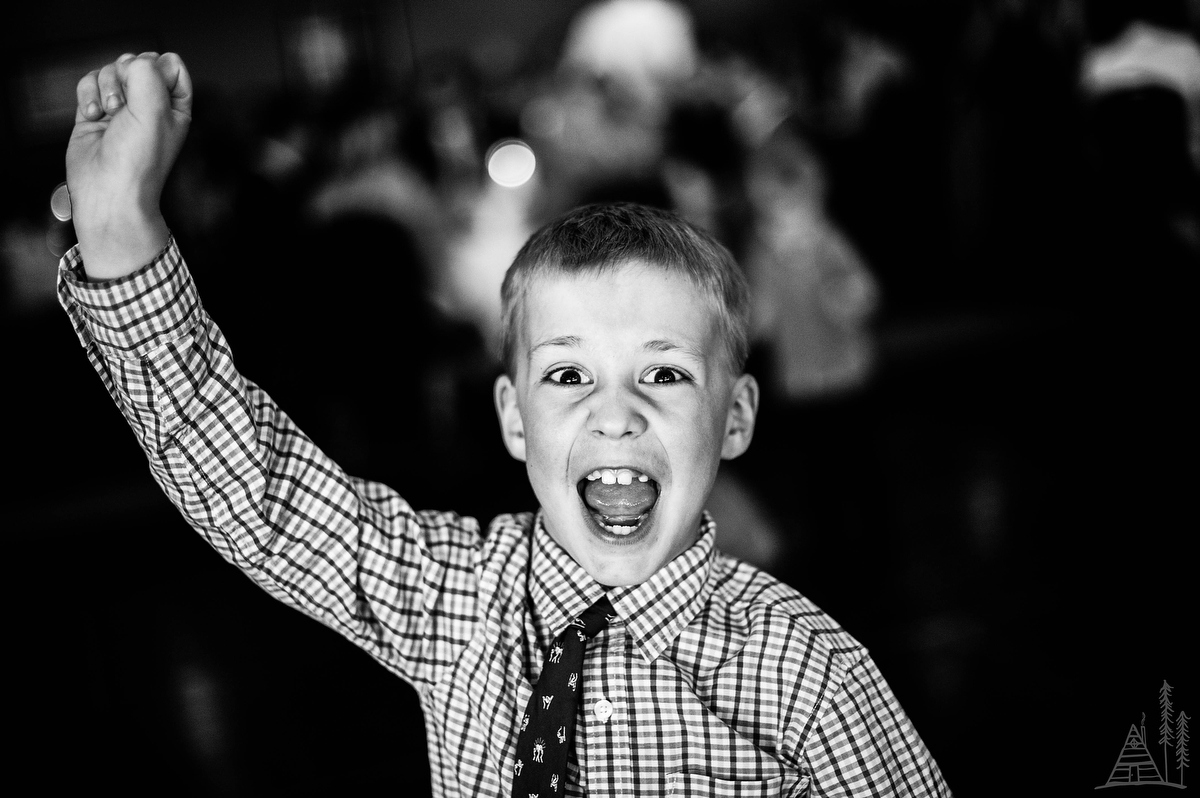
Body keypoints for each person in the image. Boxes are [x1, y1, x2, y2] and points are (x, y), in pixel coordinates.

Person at [59, 52, 950, 797]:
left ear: (736, 418)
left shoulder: (808, 679)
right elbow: (260, 491)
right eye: (567, 374)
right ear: (513, 419)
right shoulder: (453, 600)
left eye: (666, 373)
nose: (615, 413)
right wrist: (115, 228)